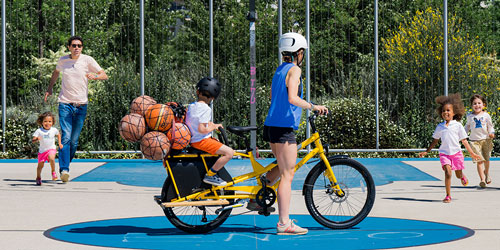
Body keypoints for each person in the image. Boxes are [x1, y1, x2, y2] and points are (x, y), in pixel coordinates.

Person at [260, 32, 328, 235]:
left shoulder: (280, 70)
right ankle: (283, 223)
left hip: (272, 124)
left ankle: (261, 192)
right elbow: (292, 98)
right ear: (299, 52)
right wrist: (313, 106)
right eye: (303, 52)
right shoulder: (295, 70)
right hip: (283, 127)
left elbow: (273, 96)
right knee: (287, 175)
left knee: (282, 168)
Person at [44, 36, 108, 183]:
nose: (76, 48)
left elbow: (104, 75)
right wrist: (50, 88)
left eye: (79, 45)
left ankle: (65, 164)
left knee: (73, 141)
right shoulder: (63, 60)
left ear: (82, 47)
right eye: (74, 45)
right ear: (69, 47)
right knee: (65, 137)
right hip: (65, 103)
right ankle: (65, 169)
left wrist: (95, 76)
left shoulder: (87, 60)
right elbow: (55, 73)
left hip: (81, 106)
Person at [419, 93, 480, 203]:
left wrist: (472, 153)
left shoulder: (457, 125)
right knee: (448, 173)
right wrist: (426, 151)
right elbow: (435, 140)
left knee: (458, 174)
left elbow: (464, 141)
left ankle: (462, 176)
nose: (445, 113)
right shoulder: (440, 127)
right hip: (444, 154)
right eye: (443, 111)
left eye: (448, 110)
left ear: (454, 112)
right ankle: (448, 195)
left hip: (456, 153)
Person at [185, 77, 235, 186]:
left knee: (218, 144)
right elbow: (202, 129)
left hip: (194, 140)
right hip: (201, 141)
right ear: (213, 97)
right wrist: (213, 126)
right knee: (229, 153)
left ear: (198, 92)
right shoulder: (206, 109)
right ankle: (211, 175)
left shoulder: (191, 106)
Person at [465, 94, 495, 188]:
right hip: (474, 141)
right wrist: (463, 135)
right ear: (471, 105)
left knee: (486, 159)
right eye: (474, 103)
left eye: (479, 103)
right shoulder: (469, 116)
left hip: (485, 140)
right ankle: (482, 180)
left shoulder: (486, 115)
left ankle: (486, 173)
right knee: (479, 161)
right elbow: (467, 126)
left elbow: (490, 126)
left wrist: (491, 133)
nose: (477, 105)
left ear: (483, 105)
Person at [32, 112, 63, 185]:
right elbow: (33, 140)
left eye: (50, 121)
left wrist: (60, 143)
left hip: (51, 149)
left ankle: (53, 172)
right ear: (41, 122)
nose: (47, 123)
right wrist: (36, 139)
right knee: (40, 166)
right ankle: (38, 177)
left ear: (52, 122)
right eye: (45, 121)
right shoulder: (39, 131)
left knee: (52, 158)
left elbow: (58, 134)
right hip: (42, 151)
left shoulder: (53, 130)